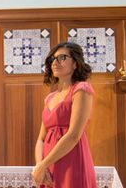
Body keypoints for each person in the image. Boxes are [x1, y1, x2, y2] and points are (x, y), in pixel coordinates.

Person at [32, 42, 96, 187]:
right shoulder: (49, 98)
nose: (55, 62)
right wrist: (40, 166)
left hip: (71, 160)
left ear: (75, 63)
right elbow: (41, 139)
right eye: (52, 59)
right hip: (48, 164)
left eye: (62, 57)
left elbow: (74, 135)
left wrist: (43, 164)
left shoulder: (81, 89)